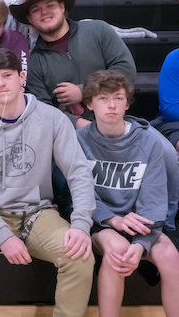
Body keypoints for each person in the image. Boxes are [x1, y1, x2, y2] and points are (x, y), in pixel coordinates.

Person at [0, 48, 96, 317]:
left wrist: (81, 224)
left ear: (22, 77)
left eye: (7, 75)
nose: (1, 84)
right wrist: (3, 236)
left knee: (80, 256)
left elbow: (78, 172)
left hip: (37, 212)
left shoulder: (52, 118)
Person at [76, 70, 179, 317]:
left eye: (118, 98)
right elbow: (78, 195)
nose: (111, 105)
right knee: (118, 250)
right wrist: (113, 220)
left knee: (170, 256)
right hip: (100, 221)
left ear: (127, 104)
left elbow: (154, 200)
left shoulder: (149, 142)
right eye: (103, 98)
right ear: (90, 104)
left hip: (141, 222)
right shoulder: (78, 140)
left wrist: (142, 244)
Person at [9, 0, 136, 129]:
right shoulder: (35, 61)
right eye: (36, 10)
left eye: (50, 5)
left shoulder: (98, 30)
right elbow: (42, 110)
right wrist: (79, 124)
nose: (44, 12)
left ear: (62, 7)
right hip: (69, 133)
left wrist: (84, 91)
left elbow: (126, 70)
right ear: (30, 19)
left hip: (118, 121)